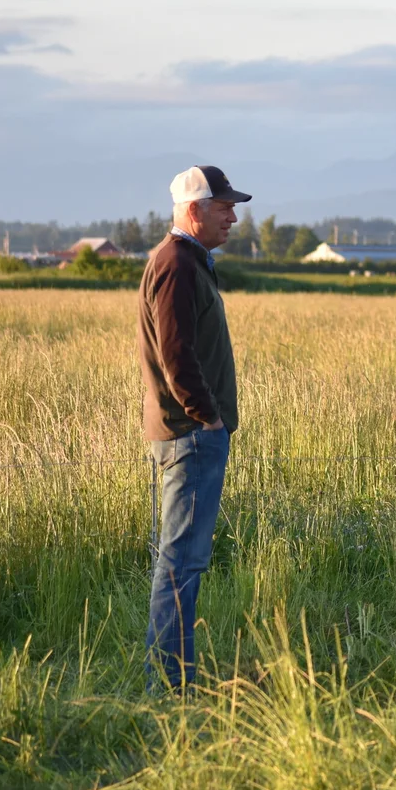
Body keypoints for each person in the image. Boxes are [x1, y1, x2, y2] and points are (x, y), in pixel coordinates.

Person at [137, 165, 251, 690]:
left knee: (181, 560)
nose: (233, 215)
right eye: (223, 206)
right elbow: (176, 356)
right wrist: (209, 417)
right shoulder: (178, 264)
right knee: (181, 563)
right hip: (191, 437)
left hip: (190, 434)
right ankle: (169, 683)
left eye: (232, 206)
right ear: (193, 210)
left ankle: (170, 675)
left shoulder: (186, 261)